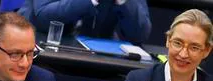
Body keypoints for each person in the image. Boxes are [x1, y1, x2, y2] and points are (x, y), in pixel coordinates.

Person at [18, 0, 151, 44]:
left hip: (96, 62)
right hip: (40, 50)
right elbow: (43, 16)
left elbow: (140, 34)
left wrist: (123, 1)